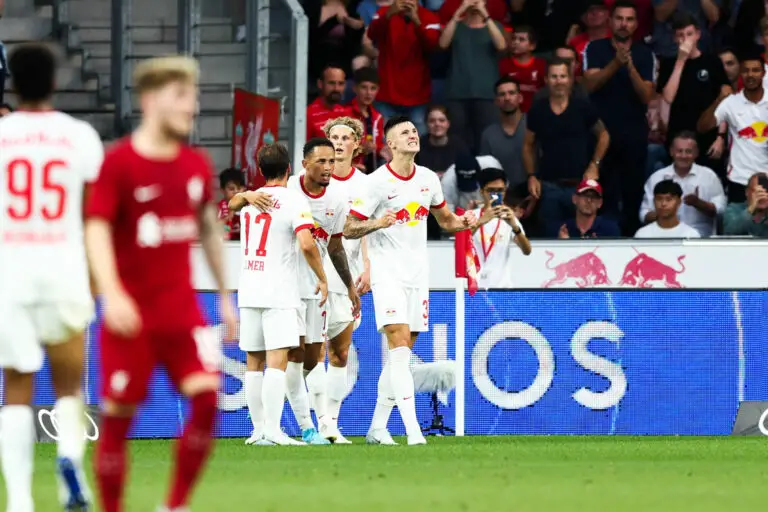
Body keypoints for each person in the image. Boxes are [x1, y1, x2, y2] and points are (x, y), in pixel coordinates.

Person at [85, 56, 238, 512]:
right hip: (130, 315)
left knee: (207, 400)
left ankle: (174, 506)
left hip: (181, 311)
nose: (193, 106)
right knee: (118, 419)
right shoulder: (119, 163)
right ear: (151, 100)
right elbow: (95, 230)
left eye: (194, 96)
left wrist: (225, 296)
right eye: (182, 96)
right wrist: (111, 294)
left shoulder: (194, 164)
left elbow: (208, 229)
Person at [0, 43, 104, 512]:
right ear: (56, 82)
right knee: (69, 385)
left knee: (17, 387)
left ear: (12, 84)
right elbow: (93, 215)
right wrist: (96, 277)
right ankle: (69, 466)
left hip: (11, 271)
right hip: (64, 267)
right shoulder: (79, 136)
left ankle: (20, 499)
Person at [344, 115, 477, 446]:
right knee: (400, 349)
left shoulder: (429, 179)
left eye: (414, 131)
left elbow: (446, 220)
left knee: (399, 357)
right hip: (387, 274)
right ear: (390, 144)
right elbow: (349, 227)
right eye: (405, 132)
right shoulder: (375, 183)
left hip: (418, 275)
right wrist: (377, 223)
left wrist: (470, 220)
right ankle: (414, 432)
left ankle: (377, 427)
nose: (413, 135)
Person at [230, 143, 329, 446]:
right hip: (279, 291)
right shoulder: (293, 200)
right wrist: (322, 278)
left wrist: (246, 194)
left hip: (249, 288)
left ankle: (258, 430)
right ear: (289, 169)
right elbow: (307, 243)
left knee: (253, 362)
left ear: (260, 170)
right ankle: (273, 430)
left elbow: (232, 204)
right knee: (277, 361)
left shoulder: (250, 201)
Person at [289, 138, 361, 444]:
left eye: (332, 161)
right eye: (322, 161)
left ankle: (327, 424)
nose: (329, 167)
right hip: (288, 285)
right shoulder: (289, 190)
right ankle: (308, 423)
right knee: (300, 356)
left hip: (321, 286)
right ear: (305, 164)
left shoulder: (338, 198)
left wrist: (349, 285)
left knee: (330, 354)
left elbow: (335, 246)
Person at [320, 117, 372, 442]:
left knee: (339, 353)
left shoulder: (366, 185)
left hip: (346, 277)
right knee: (309, 353)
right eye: (334, 137)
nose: (339, 143)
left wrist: (367, 265)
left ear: (357, 145)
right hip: (313, 276)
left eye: (345, 137)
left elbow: (365, 229)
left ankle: (331, 423)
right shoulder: (312, 180)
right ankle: (312, 421)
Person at [583, 0, 654, 235]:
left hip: (633, 134)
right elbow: (590, 85)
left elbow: (646, 95)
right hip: (600, 134)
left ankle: (631, 239)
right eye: (619, 18)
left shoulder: (645, 53)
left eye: (629, 19)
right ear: (610, 21)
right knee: (600, 194)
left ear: (636, 24)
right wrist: (616, 63)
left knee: (633, 195)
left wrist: (630, 66)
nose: (624, 24)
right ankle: (599, 239)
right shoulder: (595, 48)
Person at [525, 58, 610, 236]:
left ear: (570, 79)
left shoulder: (582, 106)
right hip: (549, 186)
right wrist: (531, 176)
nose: (559, 81)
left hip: (580, 187)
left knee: (582, 236)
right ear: (546, 80)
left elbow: (604, 135)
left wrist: (594, 165)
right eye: (554, 76)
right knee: (550, 238)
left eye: (563, 76)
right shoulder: (538, 110)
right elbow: (527, 144)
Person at [657, 13, 731, 173]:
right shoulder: (668, 64)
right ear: (674, 38)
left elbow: (725, 99)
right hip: (678, 135)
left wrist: (720, 137)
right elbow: (668, 97)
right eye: (680, 35)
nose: (685, 40)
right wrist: (681, 60)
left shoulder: (712, 62)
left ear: (698, 34)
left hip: (708, 134)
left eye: (689, 34)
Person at [439, 0, 507, 151]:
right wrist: (458, 13)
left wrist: (485, 15)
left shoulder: (494, 26)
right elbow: (443, 43)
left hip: (486, 92)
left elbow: (501, 45)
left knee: (485, 140)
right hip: (457, 92)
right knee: (457, 139)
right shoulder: (456, 26)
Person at [367, 0, 441, 135]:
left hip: (417, 94)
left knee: (418, 142)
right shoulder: (383, 13)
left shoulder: (429, 17)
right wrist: (388, 15)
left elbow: (432, 45)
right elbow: (372, 34)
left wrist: (417, 22)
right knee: (385, 143)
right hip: (387, 92)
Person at [707, 53, 768, 204]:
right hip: (739, 179)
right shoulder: (730, 103)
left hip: (766, 178)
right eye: (746, 70)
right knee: (737, 220)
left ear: (763, 73)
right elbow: (703, 126)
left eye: (755, 70)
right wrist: (719, 99)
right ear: (740, 73)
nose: (750, 75)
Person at [640, 132, 725, 237]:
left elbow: (721, 211)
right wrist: (664, 213)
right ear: (671, 152)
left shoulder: (709, 176)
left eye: (688, 151)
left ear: (696, 153)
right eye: (679, 151)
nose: (684, 156)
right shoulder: (657, 177)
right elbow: (644, 214)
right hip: (664, 237)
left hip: (700, 238)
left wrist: (699, 203)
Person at [471, 168, 532, 290]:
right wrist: (480, 222)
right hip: (474, 287)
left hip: (502, 287)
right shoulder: (472, 216)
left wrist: (514, 226)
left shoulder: (510, 217)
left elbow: (527, 251)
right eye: (491, 191)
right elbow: (459, 243)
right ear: (482, 191)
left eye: (500, 190)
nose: (495, 195)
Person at [480, 76, 527, 190]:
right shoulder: (488, 134)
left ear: (520, 98)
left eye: (511, 93)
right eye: (502, 94)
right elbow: (486, 172)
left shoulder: (534, 125)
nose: (507, 98)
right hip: (502, 193)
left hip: (535, 191)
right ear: (496, 101)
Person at [498, 25, 546, 113]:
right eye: (514, 39)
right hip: (510, 113)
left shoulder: (541, 65)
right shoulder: (503, 64)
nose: (516, 42)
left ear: (532, 46)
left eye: (521, 39)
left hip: (537, 112)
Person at [347, 67, 386, 172]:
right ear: (354, 88)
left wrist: (383, 149)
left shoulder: (378, 117)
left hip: (372, 171)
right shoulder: (344, 114)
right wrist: (361, 149)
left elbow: (377, 145)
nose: (368, 93)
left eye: (373, 88)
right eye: (364, 87)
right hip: (350, 170)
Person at [634, 179, 701, 238]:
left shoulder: (691, 235)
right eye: (659, 199)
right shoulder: (642, 234)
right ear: (654, 201)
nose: (663, 204)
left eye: (669, 199)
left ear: (679, 202)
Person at [557, 179, 621, 238]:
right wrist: (563, 244)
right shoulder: (562, 229)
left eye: (594, 197)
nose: (589, 200)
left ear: (600, 203)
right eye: (585, 195)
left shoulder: (610, 229)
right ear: (574, 199)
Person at [307, 64, 351, 140]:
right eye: (331, 83)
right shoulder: (309, 114)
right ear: (320, 84)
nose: (336, 88)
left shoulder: (345, 113)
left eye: (340, 83)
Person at [723, 172, 768, 236]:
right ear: (747, 192)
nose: (761, 195)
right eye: (757, 191)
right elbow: (730, 231)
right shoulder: (733, 209)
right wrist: (751, 209)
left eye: (766, 191)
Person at [217, 167, 247, 241]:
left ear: (244, 189)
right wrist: (227, 218)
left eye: (239, 188)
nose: (236, 192)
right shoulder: (218, 208)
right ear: (222, 190)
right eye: (231, 189)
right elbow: (211, 229)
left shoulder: (250, 208)